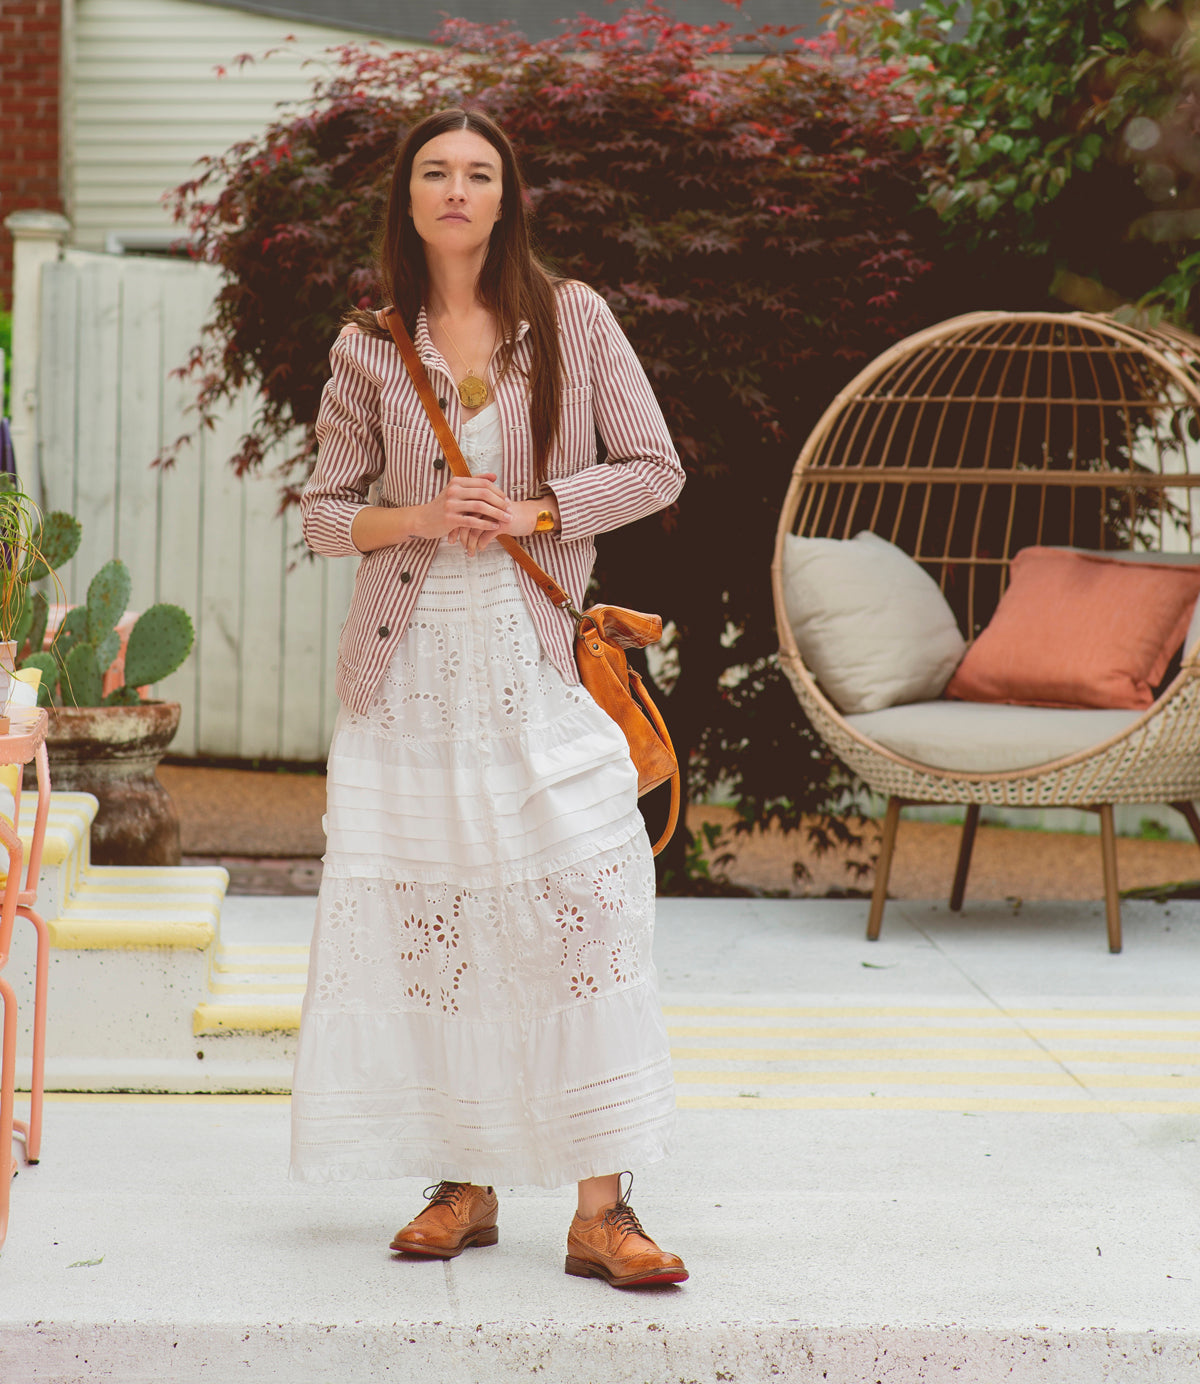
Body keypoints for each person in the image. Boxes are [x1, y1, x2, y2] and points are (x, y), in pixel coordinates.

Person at [291, 107, 688, 1288]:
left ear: (508, 195)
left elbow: (655, 466)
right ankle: (461, 1184)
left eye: (479, 173)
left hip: (533, 661)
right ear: (407, 199)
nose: (457, 190)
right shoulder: (369, 346)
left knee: (587, 911)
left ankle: (603, 1210)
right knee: (442, 930)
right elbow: (323, 513)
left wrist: (537, 510)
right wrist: (418, 516)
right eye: (435, 172)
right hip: (406, 673)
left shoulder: (571, 320)